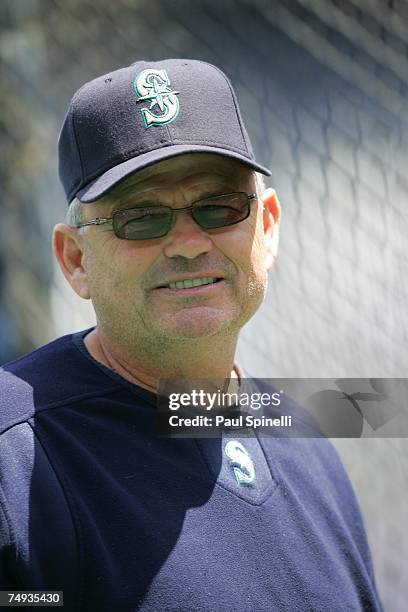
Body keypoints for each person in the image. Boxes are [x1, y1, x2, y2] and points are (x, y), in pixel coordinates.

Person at [0, 59, 382, 611]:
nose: (187, 243)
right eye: (142, 217)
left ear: (267, 228)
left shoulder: (305, 438)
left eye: (219, 207)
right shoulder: (16, 461)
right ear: (75, 258)